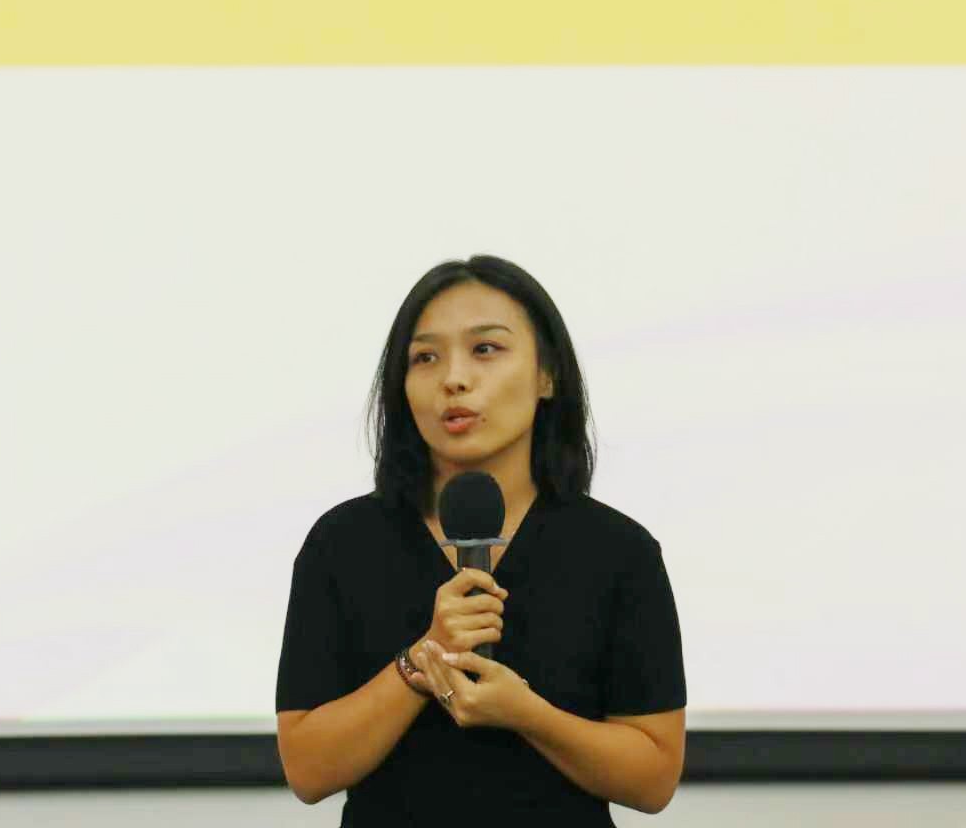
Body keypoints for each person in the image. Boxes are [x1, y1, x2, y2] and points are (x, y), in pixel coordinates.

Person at [274, 255, 686, 824]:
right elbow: (307, 769)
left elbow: (654, 779)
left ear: (547, 375)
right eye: (425, 358)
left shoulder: (618, 551)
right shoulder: (343, 543)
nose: (454, 379)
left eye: (485, 349)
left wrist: (527, 714)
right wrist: (421, 662)